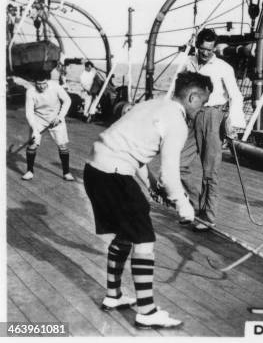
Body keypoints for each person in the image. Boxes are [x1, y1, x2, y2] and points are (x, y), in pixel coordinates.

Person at [83, 72, 212, 328]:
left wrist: (150, 184)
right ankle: (146, 311)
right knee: (144, 240)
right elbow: (171, 175)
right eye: (203, 103)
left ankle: (114, 295)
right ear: (192, 96)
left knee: (126, 232)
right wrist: (182, 203)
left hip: (94, 170)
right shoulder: (177, 122)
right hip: (115, 174)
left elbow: (134, 149)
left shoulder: (151, 104)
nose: (202, 109)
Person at [173, 28, 246, 231]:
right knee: (177, 165)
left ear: (214, 48)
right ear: (197, 46)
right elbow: (179, 89)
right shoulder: (189, 63)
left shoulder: (223, 67)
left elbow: (236, 96)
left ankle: (207, 216)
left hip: (212, 117)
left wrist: (232, 121)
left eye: (209, 50)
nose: (205, 53)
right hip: (191, 115)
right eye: (202, 49)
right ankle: (196, 207)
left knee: (209, 171)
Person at [23, 71, 74, 181]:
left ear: (48, 81)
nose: (41, 86)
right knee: (33, 144)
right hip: (38, 119)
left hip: (56, 118)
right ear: (34, 83)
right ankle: (29, 171)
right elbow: (29, 112)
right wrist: (35, 130)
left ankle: (66, 172)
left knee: (62, 146)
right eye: (38, 84)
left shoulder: (55, 87)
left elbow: (67, 101)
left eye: (44, 83)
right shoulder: (30, 92)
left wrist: (60, 117)